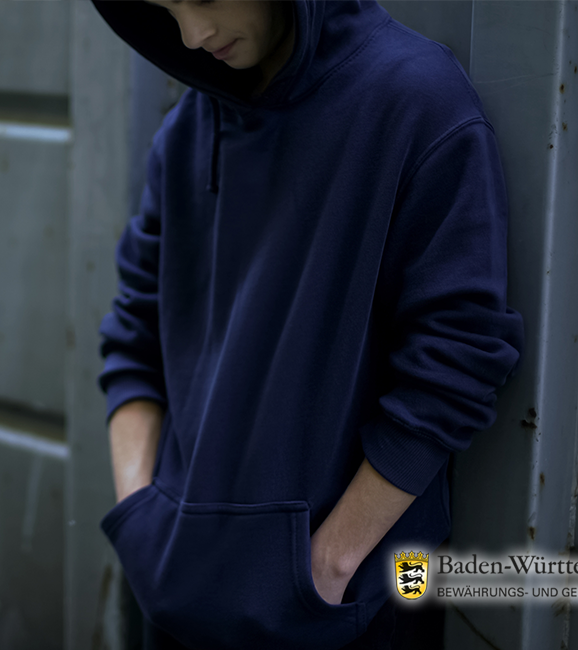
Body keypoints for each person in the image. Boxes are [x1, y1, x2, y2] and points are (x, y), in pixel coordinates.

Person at [91, 1, 525, 649]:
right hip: (176, 604)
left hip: (342, 618)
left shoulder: (416, 101)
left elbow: (457, 355)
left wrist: (328, 568)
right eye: (165, 6)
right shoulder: (185, 130)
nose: (192, 35)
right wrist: (143, 522)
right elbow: (133, 334)